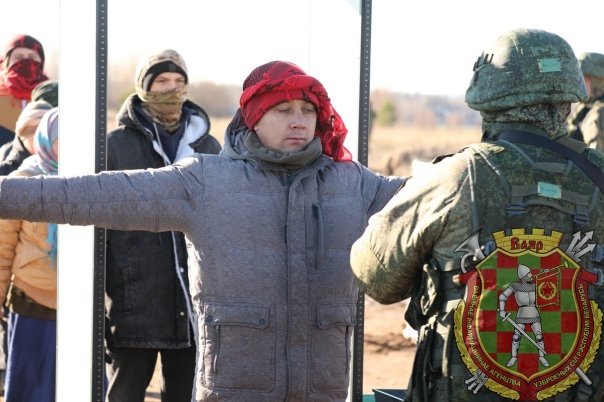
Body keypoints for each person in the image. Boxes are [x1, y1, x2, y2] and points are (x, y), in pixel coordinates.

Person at [0, 60, 404, 401]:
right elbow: (92, 195)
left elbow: (425, 199)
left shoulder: (353, 184)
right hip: (233, 390)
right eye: (283, 110)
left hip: (323, 390)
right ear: (255, 117)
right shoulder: (206, 181)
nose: (298, 121)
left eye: (307, 110)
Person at [350, 28, 604, 402]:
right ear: (569, 99)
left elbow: (375, 277)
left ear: (486, 99)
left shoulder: (452, 178)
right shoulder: (598, 175)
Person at [104, 48, 221, 402]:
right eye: (162, 81)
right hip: (132, 303)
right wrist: (104, 300)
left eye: (179, 81)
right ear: (143, 87)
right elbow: (99, 227)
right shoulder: (115, 146)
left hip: (192, 307)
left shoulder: (208, 147)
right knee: (123, 394)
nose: (171, 89)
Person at [0, 107, 59, 401]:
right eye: (61, 140)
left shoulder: (94, 184)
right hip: (31, 305)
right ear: (46, 140)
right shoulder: (21, 183)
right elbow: (3, 250)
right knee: (30, 388)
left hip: (79, 306)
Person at [0, 34, 49, 148]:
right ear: (7, 62)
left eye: (32, 56)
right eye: (18, 57)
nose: (26, 61)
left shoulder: (52, 94)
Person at [567, 52, 604, 148]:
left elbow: (597, 155)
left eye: (583, 79)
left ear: (597, 81)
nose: (578, 84)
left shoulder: (599, 113)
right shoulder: (584, 107)